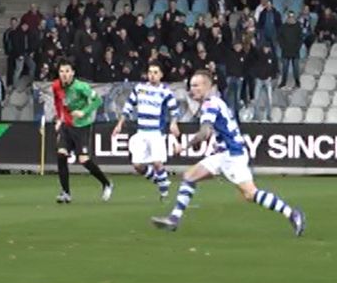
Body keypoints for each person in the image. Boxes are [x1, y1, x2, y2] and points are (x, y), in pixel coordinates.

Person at [152, 70, 304, 236]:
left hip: (233, 155)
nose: (192, 89)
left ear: (207, 87)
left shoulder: (210, 104)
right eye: (191, 85)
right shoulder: (214, 102)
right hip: (223, 154)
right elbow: (208, 133)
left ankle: (292, 213)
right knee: (189, 176)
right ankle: (174, 219)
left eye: (196, 85)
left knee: (250, 194)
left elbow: (204, 132)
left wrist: (185, 146)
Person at [111, 63, 180, 200]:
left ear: (161, 75)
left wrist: (173, 123)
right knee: (137, 165)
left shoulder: (165, 91)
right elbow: (128, 107)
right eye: (150, 72)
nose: (152, 75)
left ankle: (164, 193)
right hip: (141, 132)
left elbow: (174, 110)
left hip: (156, 132)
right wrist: (119, 125)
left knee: (157, 162)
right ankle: (159, 180)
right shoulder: (139, 89)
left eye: (155, 72)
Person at [51, 59, 113, 203]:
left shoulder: (81, 87)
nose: (64, 74)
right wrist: (60, 119)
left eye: (67, 71)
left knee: (83, 160)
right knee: (61, 154)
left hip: (82, 126)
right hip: (67, 124)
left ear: (72, 73)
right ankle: (65, 192)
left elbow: (98, 100)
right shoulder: (56, 86)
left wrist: (84, 112)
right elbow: (57, 102)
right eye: (61, 71)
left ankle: (106, 183)